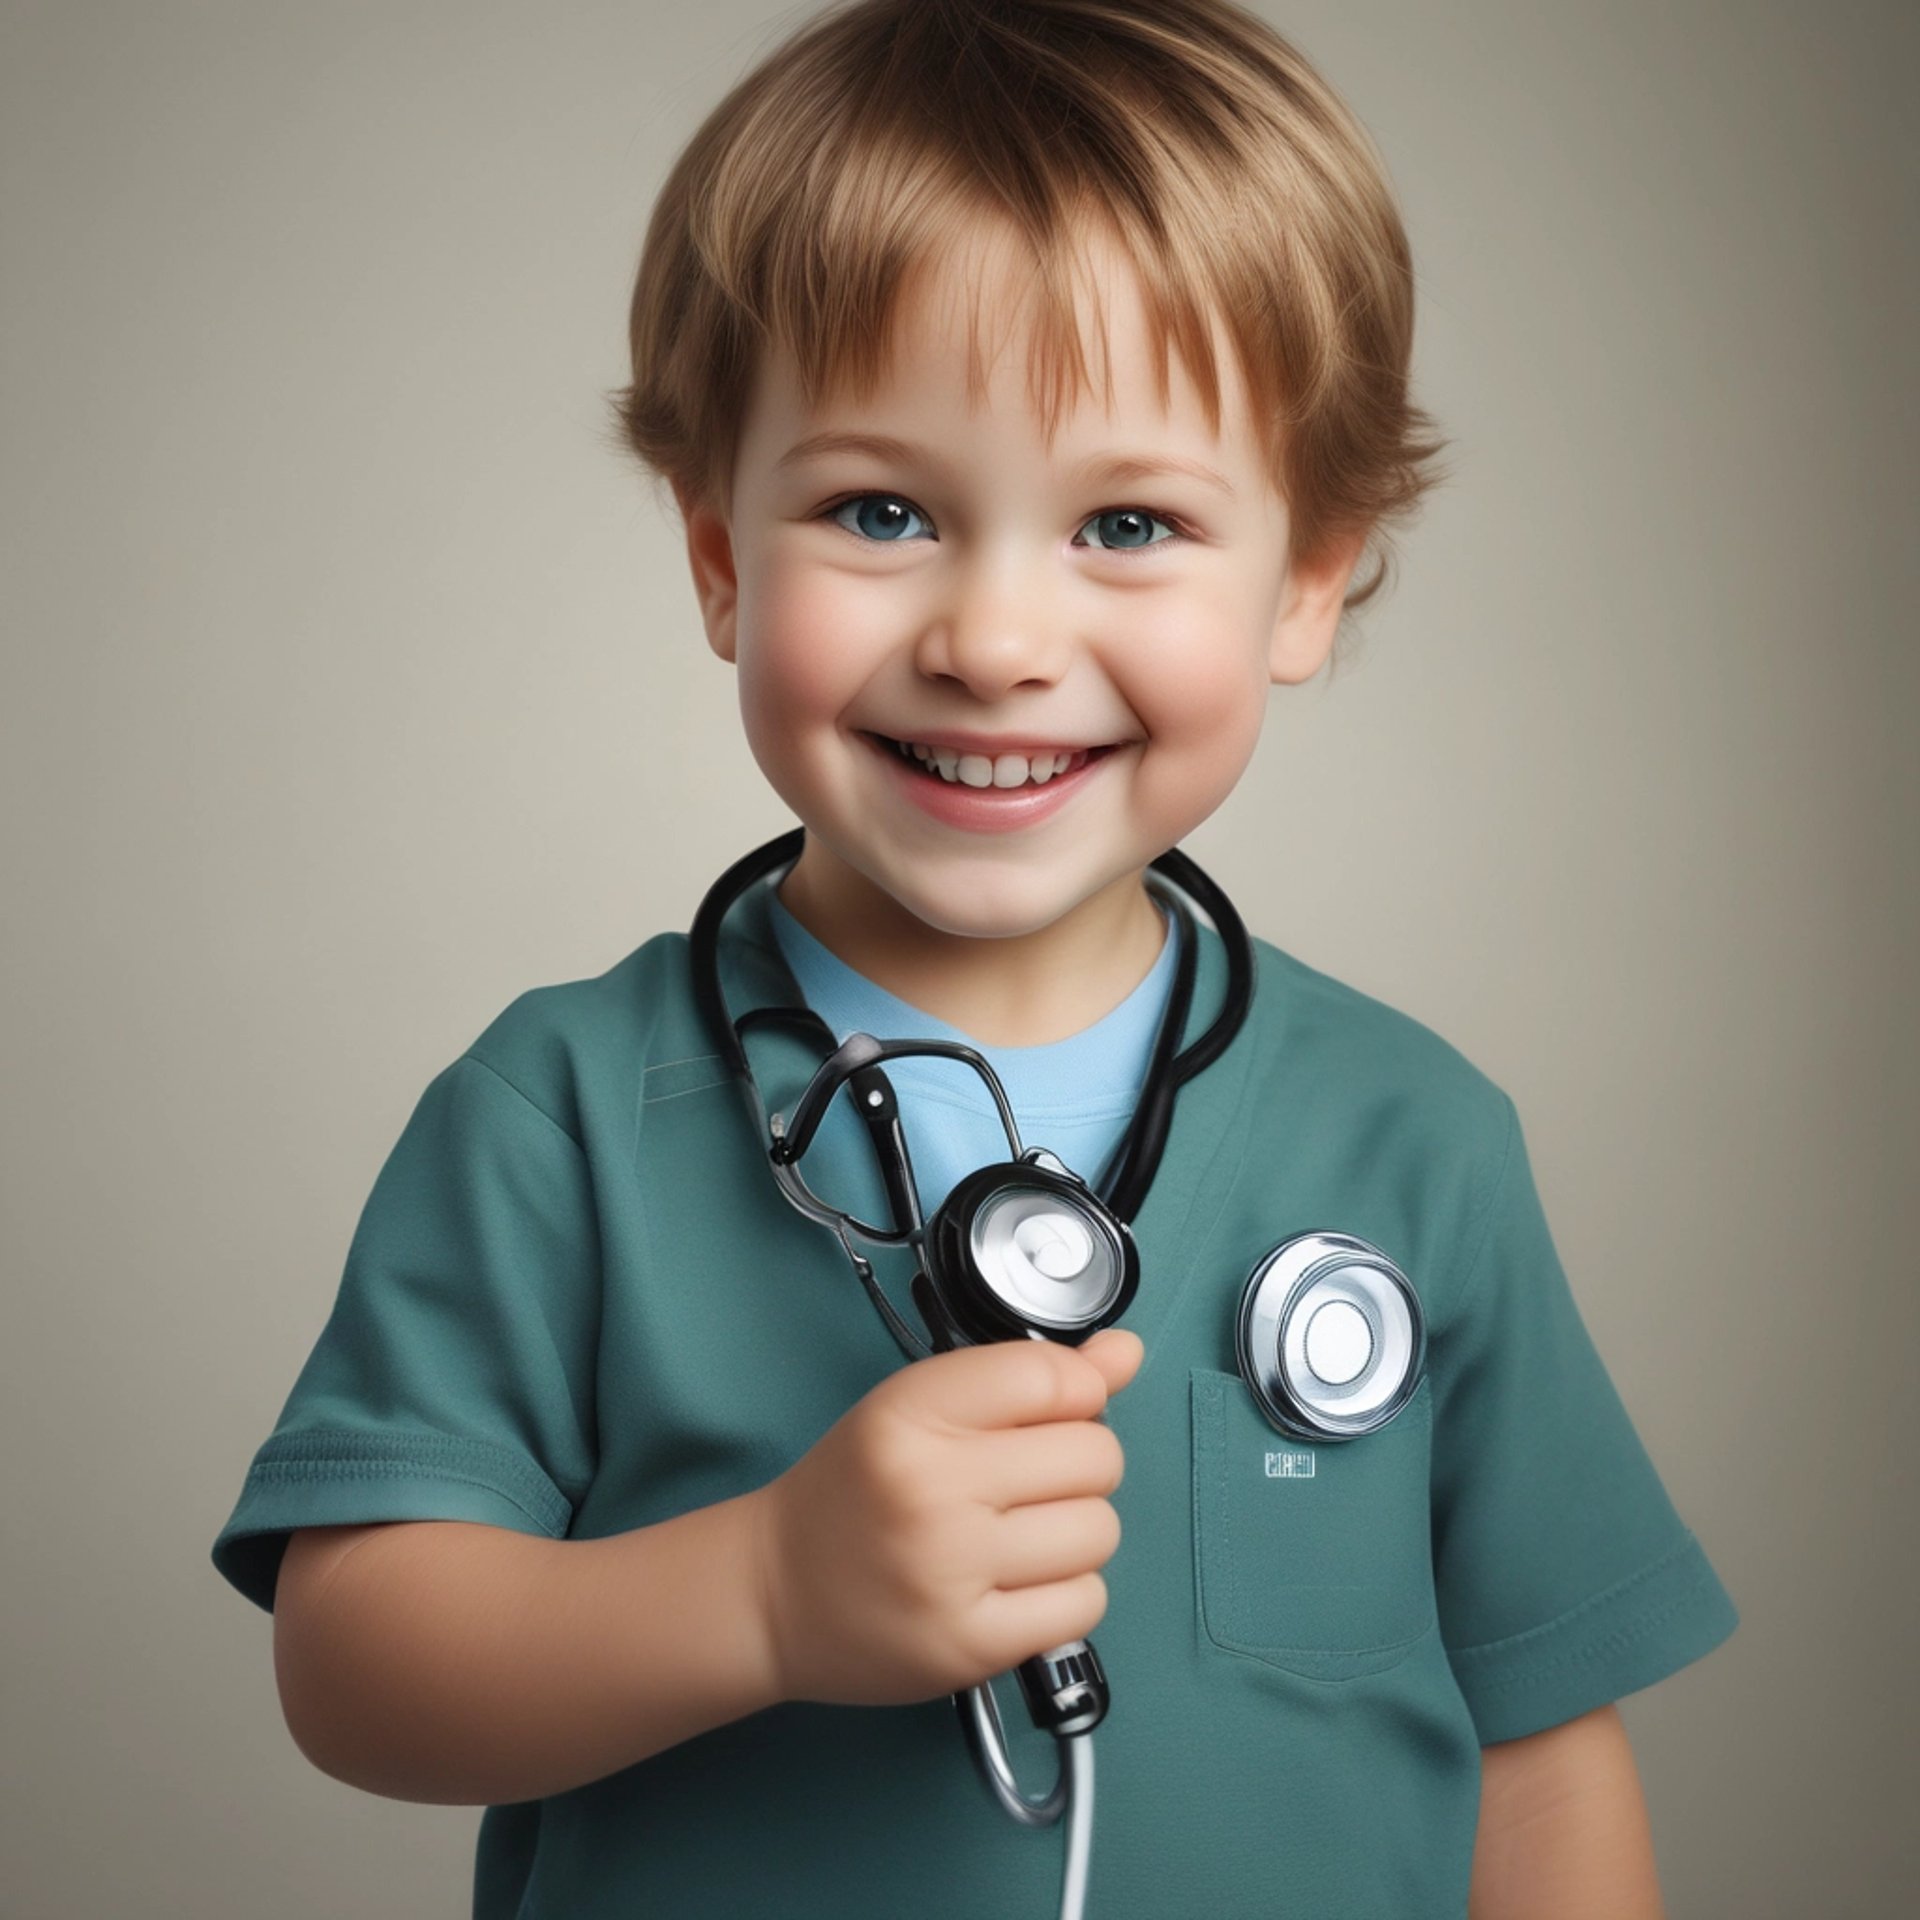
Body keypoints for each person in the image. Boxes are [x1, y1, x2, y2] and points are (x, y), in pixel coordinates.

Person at [210, 3, 1738, 1914]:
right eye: (882, 511)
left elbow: (1535, 1743)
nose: (997, 638)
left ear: (1310, 576)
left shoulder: (1411, 1139)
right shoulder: (567, 1113)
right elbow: (356, 1668)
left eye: (1126, 522)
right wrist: (760, 1592)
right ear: (717, 558)